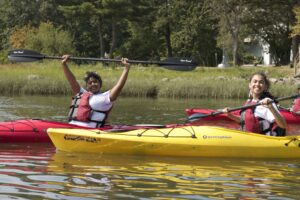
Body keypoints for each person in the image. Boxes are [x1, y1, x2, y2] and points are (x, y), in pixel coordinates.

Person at [61, 55, 130, 128]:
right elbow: (71, 80)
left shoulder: (106, 97)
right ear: (87, 86)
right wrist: (64, 64)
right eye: (90, 83)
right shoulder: (82, 93)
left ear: (100, 84)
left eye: (95, 82)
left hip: (92, 132)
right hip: (72, 127)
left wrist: (126, 68)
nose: (93, 84)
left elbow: (119, 86)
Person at [224, 72, 287, 136]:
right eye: (255, 81)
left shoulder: (268, 102)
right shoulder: (249, 102)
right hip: (248, 138)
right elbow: (244, 120)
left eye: (261, 82)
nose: (257, 84)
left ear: (265, 86)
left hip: (263, 140)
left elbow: (283, 125)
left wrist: (271, 107)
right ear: (250, 85)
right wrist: (230, 115)